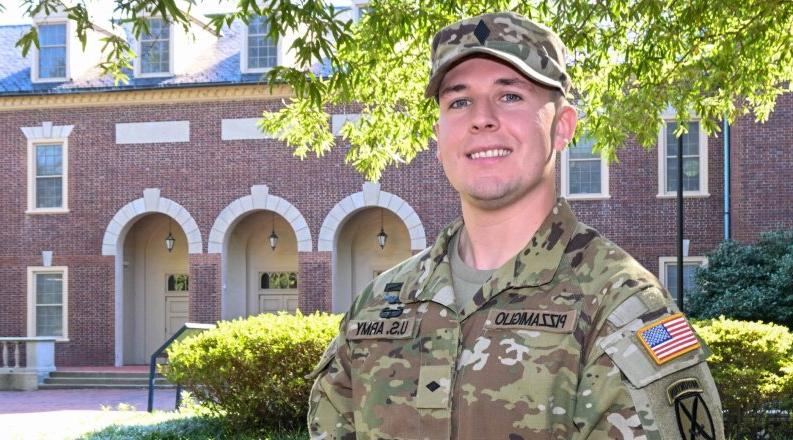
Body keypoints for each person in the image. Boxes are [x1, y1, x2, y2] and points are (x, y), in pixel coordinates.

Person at [307, 11, 724, 439]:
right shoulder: (377, 304)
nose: (481, 118)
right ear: (439, 135)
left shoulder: (620, 307)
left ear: (563, 127)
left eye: (510, 96)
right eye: (459, 100)